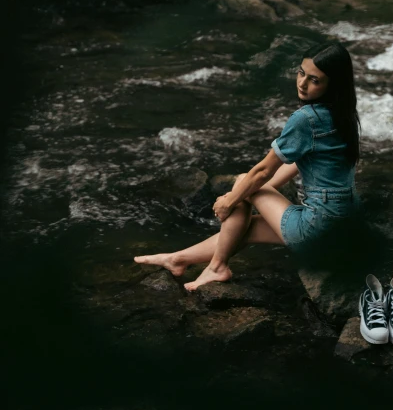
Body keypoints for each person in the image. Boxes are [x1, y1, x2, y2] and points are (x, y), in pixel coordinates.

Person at [134, 41, 361, 290]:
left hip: (318, 227)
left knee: (244, 181)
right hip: (345, 228)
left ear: (332, 84)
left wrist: (232, 199)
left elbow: (263, 171)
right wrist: (251, 195)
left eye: (314, 80)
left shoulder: (306, 119)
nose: (302, 83)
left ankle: (217, 267)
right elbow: (297, 162)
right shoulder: (344, 114)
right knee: (246, 225)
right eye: (301, 72)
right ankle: (178, 259)